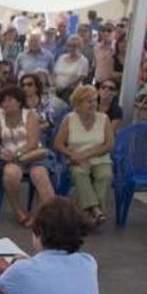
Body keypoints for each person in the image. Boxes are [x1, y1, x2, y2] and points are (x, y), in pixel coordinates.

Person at [0, 85, 55, 227]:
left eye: (10, 100)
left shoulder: (30, 115)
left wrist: (17, 154)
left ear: (19, 101)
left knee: (40, 174)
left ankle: (43, 216)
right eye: (3, 101)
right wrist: (0, 150)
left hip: (32, 155)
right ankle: (19, 212)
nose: (6, 104)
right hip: (10, 157)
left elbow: (33, 142)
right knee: (10, 174)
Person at [53, 85, 114, 225]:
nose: (93, 104)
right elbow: (58, 144)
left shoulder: (104, 118)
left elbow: (109, 145)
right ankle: (96, 209)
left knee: (105, 175)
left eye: (94, 100)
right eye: (88, 101)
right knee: (79, 173)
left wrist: (87, 154)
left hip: (100, 158)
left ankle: (88, 213)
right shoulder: (69, 119)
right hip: (77, 159)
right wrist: (72, 155)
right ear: (78, 104)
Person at [53, 35, 90, 100]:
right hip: (56, 90)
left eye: (74, 46)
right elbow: (55, 73)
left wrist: (64, 89)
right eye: (69, 46)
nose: (71, 48)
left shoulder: (83, 61)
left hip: (71, 92)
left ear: (80, 46)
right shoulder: (61, 57)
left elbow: (81, 78)